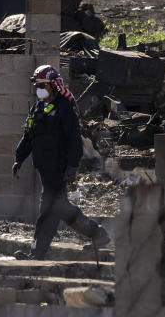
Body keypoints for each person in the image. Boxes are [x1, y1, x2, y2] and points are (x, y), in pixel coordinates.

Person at [11, 65, 110, 260]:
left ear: (53, 86)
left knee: (47, 210)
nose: (39, 88)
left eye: (42, 85)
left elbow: (74, 139)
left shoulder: (65, 108)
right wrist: (19, 158)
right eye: (37, 85)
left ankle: (37, 254)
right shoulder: (38, 108)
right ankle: (98, 234)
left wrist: (72, 166)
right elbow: (29, 136)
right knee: (60, 209)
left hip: (58, 168)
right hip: (44, 168)